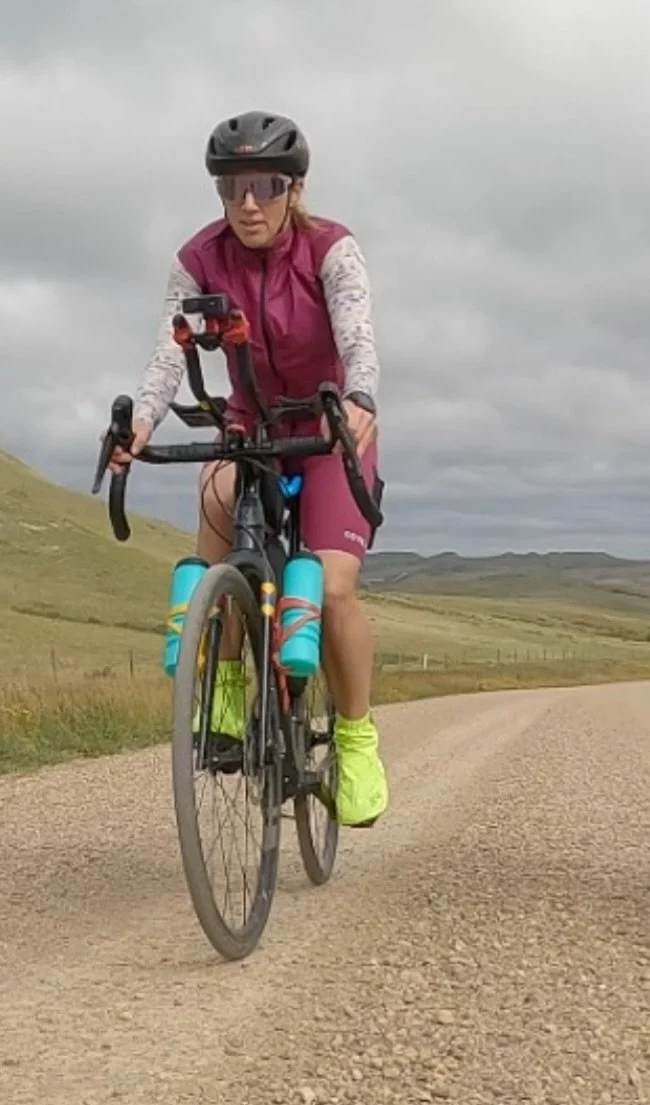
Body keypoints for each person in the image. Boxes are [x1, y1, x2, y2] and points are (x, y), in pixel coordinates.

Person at [113, 110, 389, 829]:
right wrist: (140, 423)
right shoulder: (198, 258)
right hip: (249, 424)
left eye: (265, 186)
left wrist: (359, 399)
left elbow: (358, 339)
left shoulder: (331, 249)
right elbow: (169, 356)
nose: (247, 204)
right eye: (231, 188)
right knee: (216, 543)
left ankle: (356, 740)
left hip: (329, 425)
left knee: (330, 587)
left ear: (293, 189)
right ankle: (228, 684)